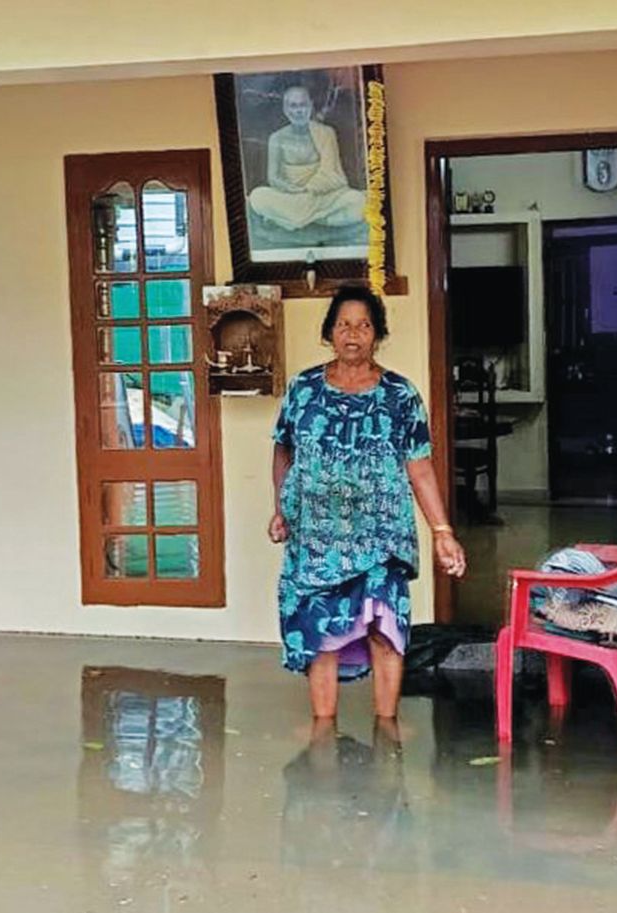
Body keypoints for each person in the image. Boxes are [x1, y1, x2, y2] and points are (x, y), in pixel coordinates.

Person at [269, 286, 466, 721]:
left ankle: (387, 724)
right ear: (329, 333)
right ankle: (323, 727)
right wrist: (281, 508)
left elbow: (419, 467)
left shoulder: (401, 395)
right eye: (343, 324)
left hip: (381, 536)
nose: (352, 333)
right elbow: (283, 448)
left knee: (385, 629)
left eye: (364, 324)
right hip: (317, 541)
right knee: (321, 634)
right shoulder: (303, 390)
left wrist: (442, 532)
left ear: (377, 333)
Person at [248, 86, 367, 232]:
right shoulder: (277, 138)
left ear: (310, 106)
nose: (299, 111)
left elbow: (331, 172)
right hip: (290, 197)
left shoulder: (326, 133)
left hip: (323, 196)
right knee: (257, 196)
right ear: (285, 109)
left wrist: (308, 189)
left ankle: (293, 221)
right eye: (293, 106)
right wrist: (290, 189)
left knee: (359, 202)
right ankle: (318, 219)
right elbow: (273, 177)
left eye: (303, 105)